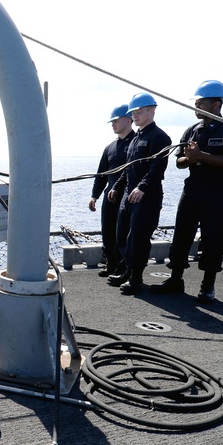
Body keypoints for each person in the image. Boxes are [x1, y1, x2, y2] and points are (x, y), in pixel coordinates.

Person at [150, 81, 223, 302]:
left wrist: (201, 157)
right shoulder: (193, 130)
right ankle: (176, 279)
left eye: (200, 102)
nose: (196, 106)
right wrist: (190, 158)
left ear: (216, 104)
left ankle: (207, 286)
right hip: (192, 190)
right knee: (182, 233)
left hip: (218, 193)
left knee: (214, 238)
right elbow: (180, 162)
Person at [107, 92, 172, 294]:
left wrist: (142, 187)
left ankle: (136, 278)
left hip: (147, 197)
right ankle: (127, 270)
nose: (135, 115)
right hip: (129, 195)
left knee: (138, 238)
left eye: (139, 111)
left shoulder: (160, 137)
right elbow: (129, 168)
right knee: (122, 235)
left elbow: (157, 168)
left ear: (151, 111)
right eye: (133, 112)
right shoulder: (136, 139)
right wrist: (117, 187)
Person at [89, 104, 135, 277]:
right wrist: (94, 195)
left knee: (123, 233)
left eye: (116, 120)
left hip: (127, 194)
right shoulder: (110, 147)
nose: (113, 124)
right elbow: (102, 173)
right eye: (112, 122)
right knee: (107, 229)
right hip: (110, 194)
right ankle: (111, 263)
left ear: (128, 120)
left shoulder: (136, 143)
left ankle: (123, 267)